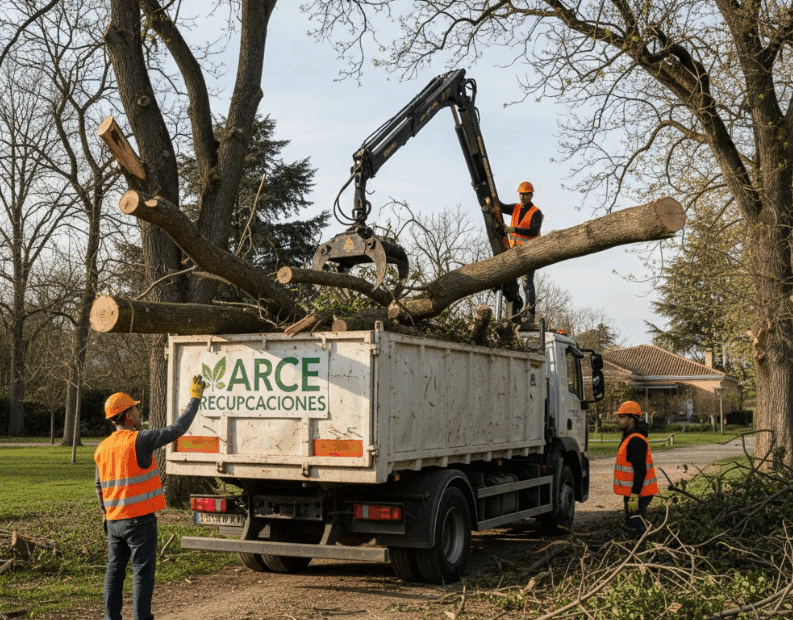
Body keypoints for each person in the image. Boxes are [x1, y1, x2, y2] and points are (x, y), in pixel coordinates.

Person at [94, 375, 205, 620]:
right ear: (127, 416)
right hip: (140, 521)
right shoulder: (140, 440)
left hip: (114, 523)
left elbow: (98, 485)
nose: (138, 410)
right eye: (135, 407)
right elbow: (177, 430)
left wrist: (106, 514)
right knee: (142, 574)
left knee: (114, 572)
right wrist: (195, 399)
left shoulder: (101, 448)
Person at [613, 400, 658, 548]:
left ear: (631, 420)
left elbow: (640, 470)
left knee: (637, 526)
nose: (618, 420)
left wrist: (634, 494)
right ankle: (635, 553)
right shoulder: (630, 437)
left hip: (639, 493)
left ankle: (639, 555)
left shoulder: (636, 440)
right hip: (636, 492)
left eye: (621, 417)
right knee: (633, 524)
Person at [501, 181, 543, 321]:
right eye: (521, 194)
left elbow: (532, 231)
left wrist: (514, 229)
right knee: (510, 281)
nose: (522, 197)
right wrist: (492, 202)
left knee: (527, 284)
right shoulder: (515, 208)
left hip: (529, 252)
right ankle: (514, 311)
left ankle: (530, 313)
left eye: (525, 194)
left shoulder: (536, 212)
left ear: (531, 195)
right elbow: (501, 207)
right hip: (514, 252)